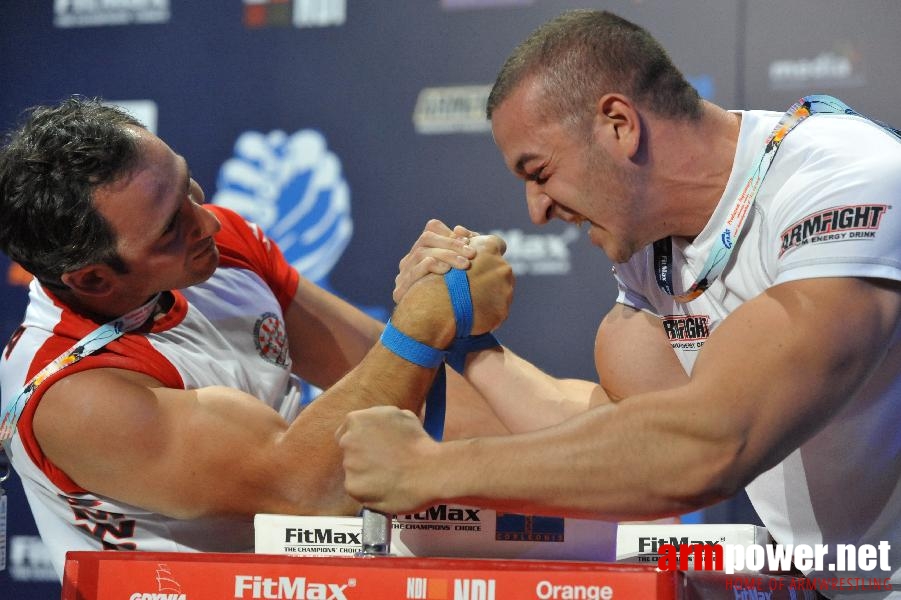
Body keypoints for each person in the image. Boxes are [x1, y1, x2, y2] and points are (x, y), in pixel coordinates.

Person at [336, 9, 901, 597]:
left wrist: (430, 470)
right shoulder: (655, 255)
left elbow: (710, 444)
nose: (536, 211)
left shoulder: (846, 180)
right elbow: (620, 438)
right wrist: (468, 336)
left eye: (540, 172)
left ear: (618, 124)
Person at [0, 97, 514, 579]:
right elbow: (305, 490)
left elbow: (411, 385)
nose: (205, 221)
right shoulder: (71, 394)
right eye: (169, 229)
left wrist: (568, 451)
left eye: (186, 186)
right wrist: (427, 314)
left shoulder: (216, 247)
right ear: (93, 278)